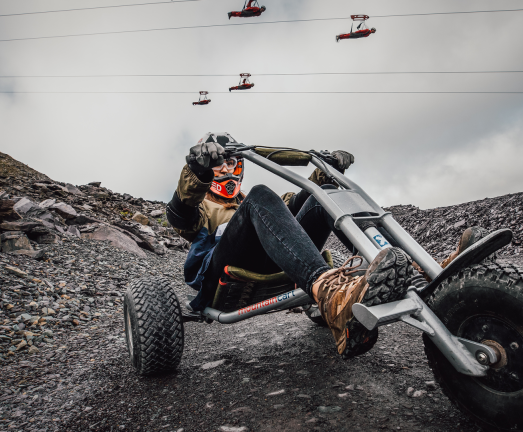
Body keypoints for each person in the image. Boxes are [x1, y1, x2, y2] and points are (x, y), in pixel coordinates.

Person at [166, 132, 415, 358]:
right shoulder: (201, 206)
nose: (225, 169)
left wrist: (327, 169)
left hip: (278, 256)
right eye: (218, 163)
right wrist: (197, 172)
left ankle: (409, 271)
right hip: (224, 272)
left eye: (230, 162)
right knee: (260, 195)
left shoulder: (258, 203)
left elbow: (296, 203)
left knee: (323, 192)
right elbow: (181, 215)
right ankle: (330, 294)